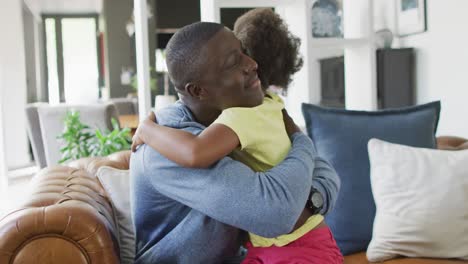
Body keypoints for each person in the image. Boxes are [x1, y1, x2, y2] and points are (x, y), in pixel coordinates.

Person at [131, 9, 342, 264]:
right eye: (233, 62)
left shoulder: (250, 111)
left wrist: (304, 202)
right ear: (198, 90)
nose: (252, 64)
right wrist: (303, 147)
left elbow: (328, 175)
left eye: (244, 52)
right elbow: (276, 215)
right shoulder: (166, 146)